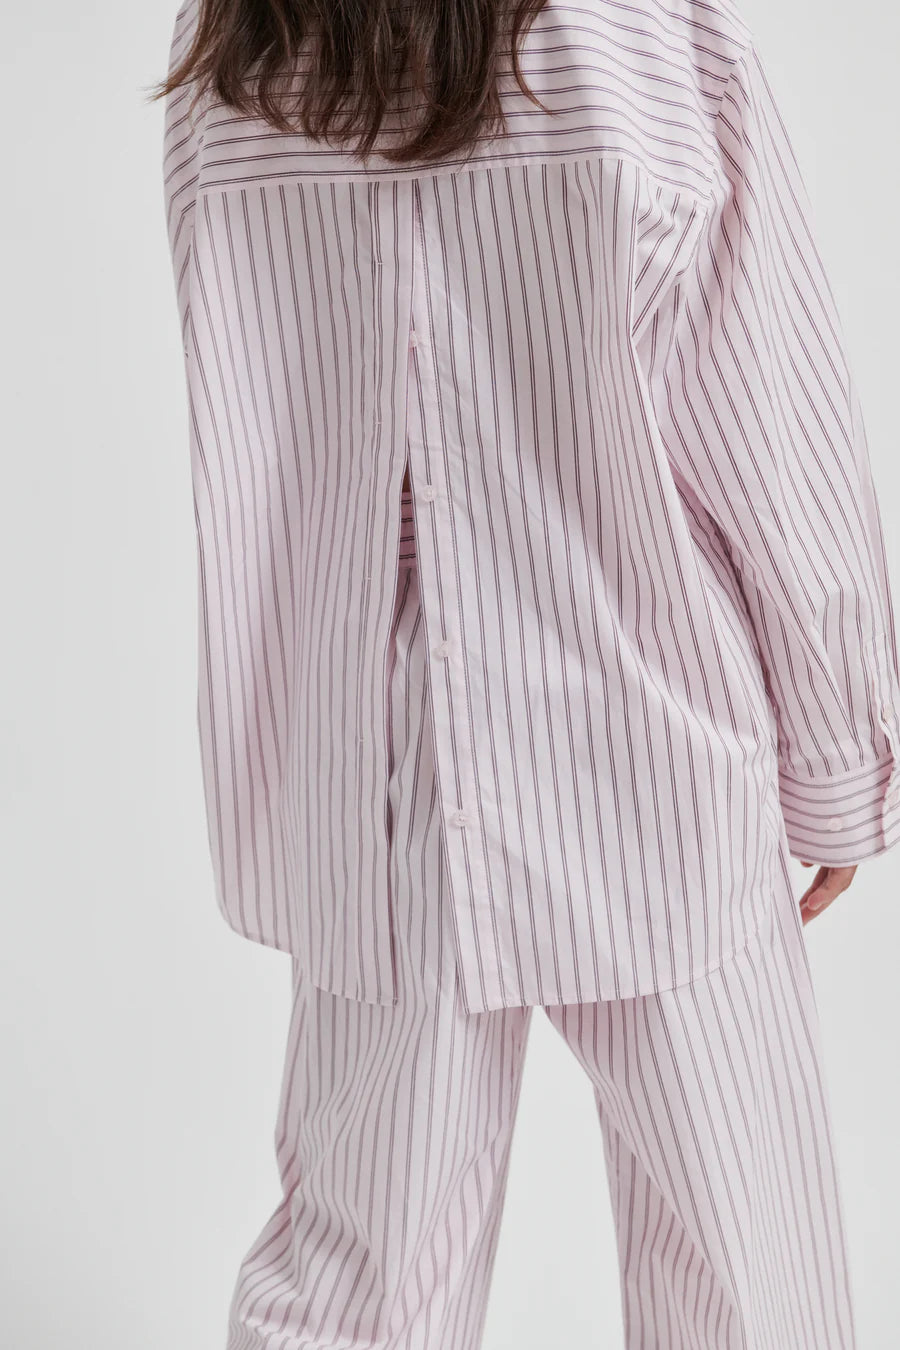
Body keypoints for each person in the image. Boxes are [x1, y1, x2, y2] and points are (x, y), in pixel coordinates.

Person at [156, 0, 900, 1343]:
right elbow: (768, 429)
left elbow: (243, 425)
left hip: (375, 759)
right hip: (657, 727)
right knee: (749, 1274)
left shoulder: (239, 49)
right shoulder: (651, 37)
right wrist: (838, 752)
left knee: (356, 1283)